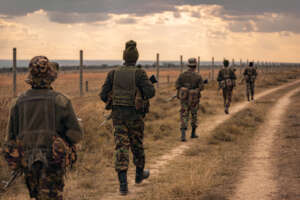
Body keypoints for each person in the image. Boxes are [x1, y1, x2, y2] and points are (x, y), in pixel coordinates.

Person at [3, 56, 83, 200]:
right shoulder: (61, 100)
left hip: (27, 161)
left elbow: (10, 138)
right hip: (53, 161)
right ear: (51, 77)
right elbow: (76, 135)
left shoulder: (17, 103)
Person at [99, 40, 155, 195]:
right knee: (137, 144)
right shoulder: (140, 73)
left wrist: (115, 100)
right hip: (135, 116)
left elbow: (103, 95)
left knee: (121, 147)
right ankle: (138, 175)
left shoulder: (113, 73)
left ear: (124, 57)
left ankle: (123, 185)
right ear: (136, 58)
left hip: (117, 117)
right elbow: (151, 93)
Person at [175, 58, 204, 142]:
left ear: (188, 65)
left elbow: (177, 85)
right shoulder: (198, 76)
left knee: (184, 115)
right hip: (194, 99)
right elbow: (201, 87)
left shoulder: (182, 75)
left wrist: (183, 90)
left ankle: (183, 135)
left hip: (184, 99)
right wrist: (195, 90)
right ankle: (193, 133)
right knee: (194, 115)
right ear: (195, 65)